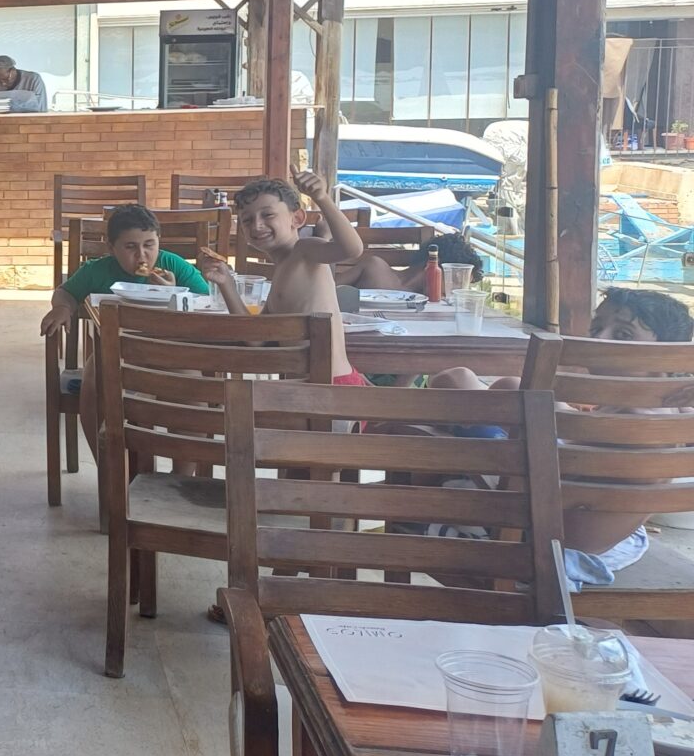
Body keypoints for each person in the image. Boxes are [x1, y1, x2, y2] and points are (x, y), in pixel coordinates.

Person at [426, 286, 694, 581]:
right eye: (596, 328)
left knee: (456, 381)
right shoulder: (676, 413)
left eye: (623, 334)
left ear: (666, 355)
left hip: (541, 532)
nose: (599, 340)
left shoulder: (631, 422)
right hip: (600, 535)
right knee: (507, 387)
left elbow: (546, 473)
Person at [39, 204, 212, 456]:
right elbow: (65, 292)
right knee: (92, 388)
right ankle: (109, 470)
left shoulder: (174, 266)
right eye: (130, 247)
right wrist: (63, 308)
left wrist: (173, 293)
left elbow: (206, 303)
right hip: (114, 351)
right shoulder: (98, 270)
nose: (142, 255)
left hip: (169, 351)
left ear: (158, 241)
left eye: (149, 245)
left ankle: (183, 472)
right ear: (112, 248)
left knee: (192, 397)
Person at [199, 173, 364, 382]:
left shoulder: (304, 250)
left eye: (268, 215)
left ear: (297, 219)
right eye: (247, 220)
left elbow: (352, 249)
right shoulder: (281, 271)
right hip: (303, 388)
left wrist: (322, 198)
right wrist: (226, 284)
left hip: (332, 387)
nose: (257, 225)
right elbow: (255, 339)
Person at [335, 230, 485, 294]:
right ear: (434, 263)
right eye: (457, 280)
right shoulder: (375, 268)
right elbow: (329, 287)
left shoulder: (432, 303)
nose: (457, 291)